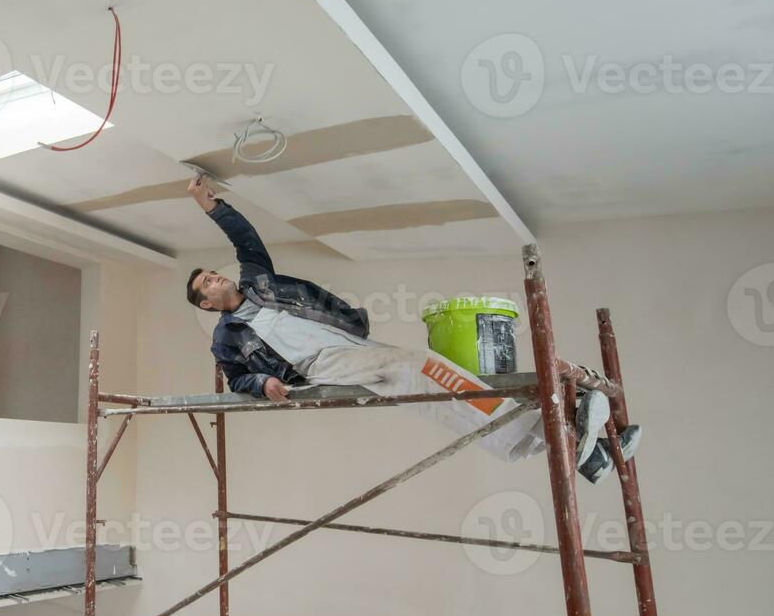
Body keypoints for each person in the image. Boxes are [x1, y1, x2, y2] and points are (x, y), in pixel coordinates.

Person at [183, 171, 639, 482]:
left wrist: (212, 207)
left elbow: (246, 240)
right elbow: (236, 376)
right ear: (207, 305)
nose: (215, 277)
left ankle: (585, 452)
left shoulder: (259, 282)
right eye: (206, 283)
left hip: (347, 345)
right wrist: (262, 382)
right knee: (422, 366)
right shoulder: (228, 336)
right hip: (318, 366)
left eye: (211, 271)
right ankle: (561, 438)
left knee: (431, 388)